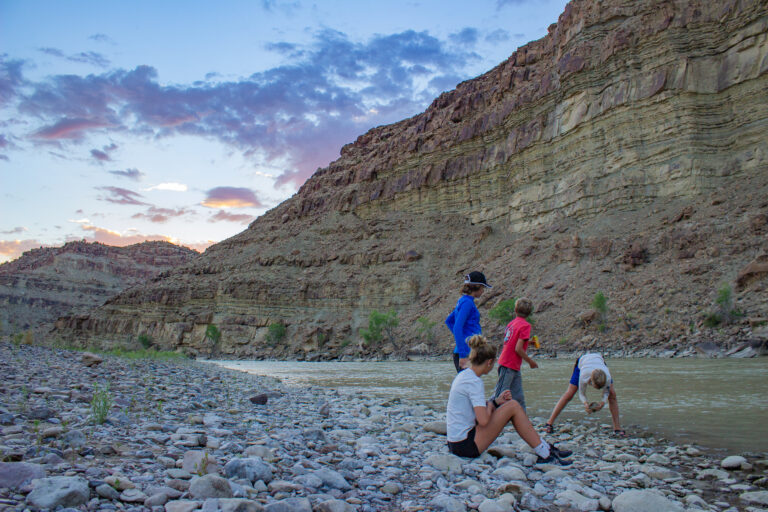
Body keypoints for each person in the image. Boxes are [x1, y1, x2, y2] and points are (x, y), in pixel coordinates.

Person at [446, 334, 572, 463]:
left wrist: (495, 402)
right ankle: (545, 452)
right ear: (489, 362)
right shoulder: (474, 381)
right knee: (513, 406)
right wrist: (490, 406)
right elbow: (483, 420)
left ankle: (544, 448)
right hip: (464, 446)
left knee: (512, 406)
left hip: (456, 442)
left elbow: (472, 412)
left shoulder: (465, 375)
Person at [545, 352, 625, 436]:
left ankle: (617, 428)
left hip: (599, 362)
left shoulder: (607, 376)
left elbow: (607, 392)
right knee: (570, 393)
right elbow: (582, 393)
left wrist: (603, 402)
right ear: (591, 381)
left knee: (612, 395)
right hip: (582, 363)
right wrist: (585, 403)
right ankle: (549, 423)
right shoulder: (584, 375)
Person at [492, 297, 536, 412]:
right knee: (499, 394)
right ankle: (486, 416)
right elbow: (518, 349)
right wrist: (530, 361)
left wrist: (528, 342)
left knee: (518, 396)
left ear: (515, 310)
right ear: (529, 313)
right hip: (509, 364)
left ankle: (523, 422)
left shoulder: (511, 323)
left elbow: (512, 341)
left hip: (511, 364)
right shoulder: (525, 326)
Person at [445, 271, 491, 373]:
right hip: (466, 353)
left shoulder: (463, 300)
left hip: (468, 351)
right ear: (477, 286)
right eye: (483, 288)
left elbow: (449, 321)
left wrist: (462, 337)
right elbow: (457, 327)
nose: (483, 291)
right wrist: (463, 354)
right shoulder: (467, 303)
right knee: (468, 385)